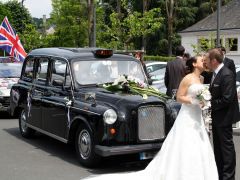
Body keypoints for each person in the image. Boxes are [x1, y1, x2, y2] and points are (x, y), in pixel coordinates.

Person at [82, 55, 218, 180]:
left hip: (196, 116)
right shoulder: (187, 78)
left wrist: (203, 102)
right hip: (188, 115)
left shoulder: (201, 79)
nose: (204, 61)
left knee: (199, 144)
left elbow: (197, 96)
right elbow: (179, 97)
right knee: (185, 144)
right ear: (194, 64)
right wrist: (193, 101)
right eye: (201, 60)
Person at [204, 48, 239, 180]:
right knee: (218, 149)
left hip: (225, 117)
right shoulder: (215, 73)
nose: (205, 62)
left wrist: (208, 103)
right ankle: (219, 174)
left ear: (214, 61)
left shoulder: (227, 74)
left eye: (207, 60)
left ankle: (229, 177)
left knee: (226, 149)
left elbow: (227, 99)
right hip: (218, 117)